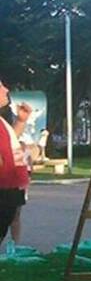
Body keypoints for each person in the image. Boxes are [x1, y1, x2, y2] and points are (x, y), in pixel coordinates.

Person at [0, 80, 31, 250]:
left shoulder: (1, 121)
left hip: (11, 187)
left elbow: (11, 140)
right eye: (0, 87)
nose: (6, 89)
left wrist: (20, 121)